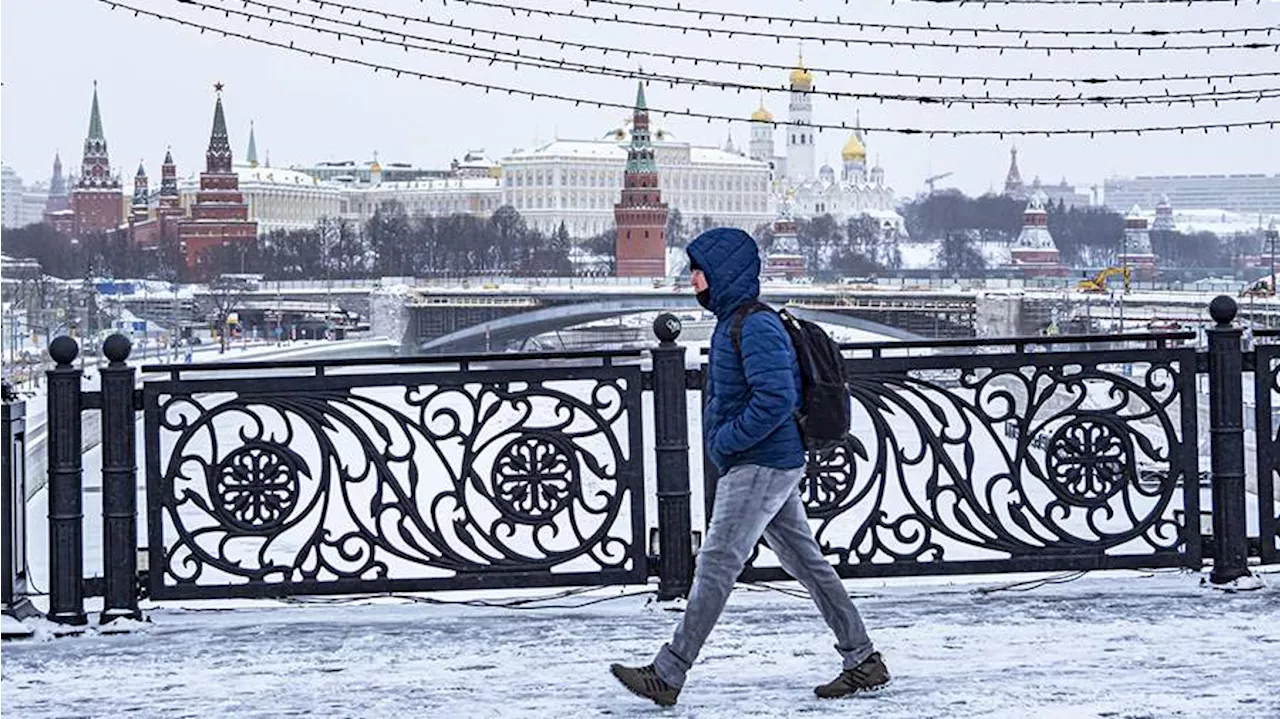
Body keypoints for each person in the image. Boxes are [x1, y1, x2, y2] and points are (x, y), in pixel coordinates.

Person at [610, 228, 888, 706]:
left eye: (698, 271)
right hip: (766, 463)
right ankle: (862, 658)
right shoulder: (734, 321)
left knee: (716, 564)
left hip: (759, 463)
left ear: (722, 273)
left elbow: (776, 397)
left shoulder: (753, 325)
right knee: (806, 563)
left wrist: (725, 439)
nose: (692, 279)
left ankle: (668, 672)